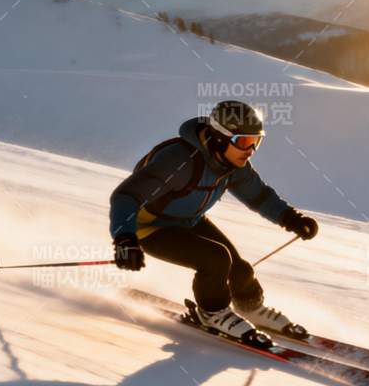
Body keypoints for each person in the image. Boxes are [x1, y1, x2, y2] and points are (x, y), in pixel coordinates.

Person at [110, 100, 319, 346]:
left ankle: (251, 307)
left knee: (240, 269)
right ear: (220, 138)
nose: (250, 150)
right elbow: (126, 196)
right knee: (215, 259)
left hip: (189, 221)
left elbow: (259, 196)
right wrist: (125, 239)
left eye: (256, 142)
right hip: (150, 227)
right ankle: (212, 312)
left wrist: (291, 218)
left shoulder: (232, 164)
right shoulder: (179, 160)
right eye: (244, 141)